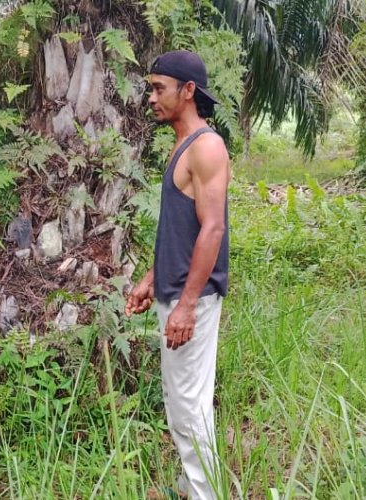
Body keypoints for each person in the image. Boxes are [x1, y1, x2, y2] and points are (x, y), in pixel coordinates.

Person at [125, 50, 231, 500]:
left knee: (189, 404)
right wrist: (152, 277)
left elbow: (213, 228)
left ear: (188, 91)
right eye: (150, 88)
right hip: (174, 290)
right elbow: (181, 229)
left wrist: (186, 305)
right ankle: (191, 487)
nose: (150, 97)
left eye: (158, 88)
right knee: (180, 400)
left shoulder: (206, 146)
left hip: (195, 297)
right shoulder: (182, 144)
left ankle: (205, 493)